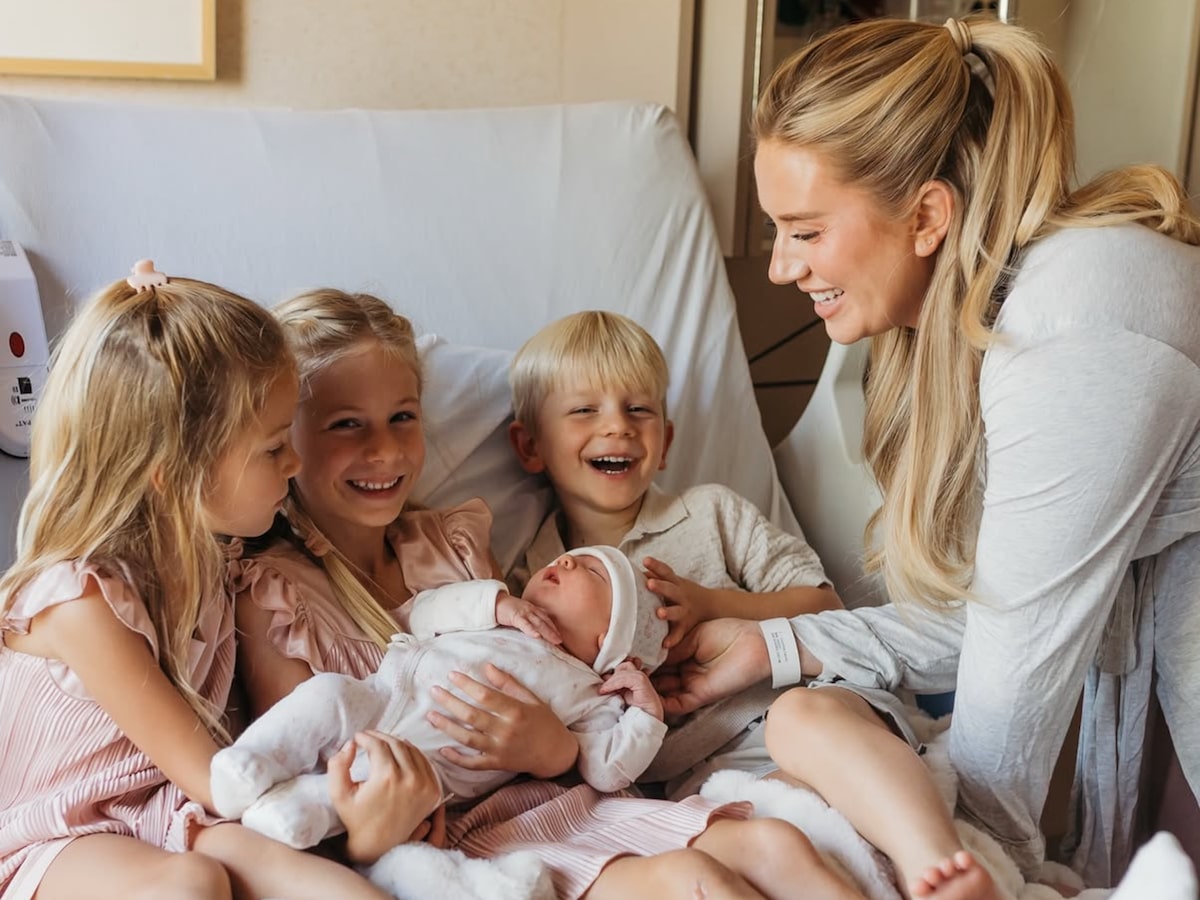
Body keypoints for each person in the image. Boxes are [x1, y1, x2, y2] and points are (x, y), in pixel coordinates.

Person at [655, 12, 1200, 894]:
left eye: (805, 230)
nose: (780, 268)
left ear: (926, 216)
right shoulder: (985, 318)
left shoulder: (1072, 336)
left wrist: (955, 863)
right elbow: (1005, 607)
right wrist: (774, 646)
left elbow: (1016, 679)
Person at [235, 288, 866, 900]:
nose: (384, 449)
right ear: (284, 439)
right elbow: (298, 782)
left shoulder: (454, 543)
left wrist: (557, 747)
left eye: (403, 417)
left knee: (769, 844)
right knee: (696, 883)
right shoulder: (275, 597)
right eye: (346, 424)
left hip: (583, 797)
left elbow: (556, 673)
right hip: (477, 837)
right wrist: (373, 839)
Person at [0, 262, 436, 900]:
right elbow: (215, 778)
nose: (294, 462)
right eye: (273, 448)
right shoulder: (79, 603)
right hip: (62, 835)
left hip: (174, 815)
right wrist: (348, 807)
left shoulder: (224, 564)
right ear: (176, 472)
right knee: (191, 884)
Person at [507, 309, 841, 797]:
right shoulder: (536, 576)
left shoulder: (711, 513)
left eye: (638, 409)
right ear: (530, 446)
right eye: (584, 410)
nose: (618, 426)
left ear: (664, 442)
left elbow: (828, 606)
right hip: (685, 781)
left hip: (792, 715)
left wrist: (712, 604)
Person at [213, 546, 670, 848]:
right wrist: (495, 603)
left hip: (437, 758)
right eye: (571, 557)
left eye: (594, 571)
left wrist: (646, 716)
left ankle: (299, 811)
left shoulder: (593, 694)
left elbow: (606, 769)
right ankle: (253, 760)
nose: (567, 561)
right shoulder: (498, 613)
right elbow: (421, 613)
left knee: (383, 780)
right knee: (326, 693)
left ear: (609, 639)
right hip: (384, 693)